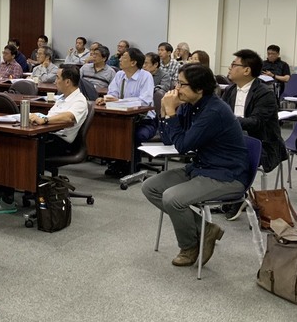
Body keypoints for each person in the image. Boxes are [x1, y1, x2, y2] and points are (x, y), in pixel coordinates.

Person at [142, 64, 249, 268]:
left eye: (182, 84)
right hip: (202, 167)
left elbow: (183, 146)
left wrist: (171, 111)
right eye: (177, 83)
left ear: (199, 89)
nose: (177, 88)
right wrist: (165, 112)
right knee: (150, 187)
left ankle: (189, 246)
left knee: (172, 198)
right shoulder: (191, 105)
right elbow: (169, 140)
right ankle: (206, 229)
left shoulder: (214, 111)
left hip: (227, 175)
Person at [0, 64, 89, 214]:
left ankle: (7, 200)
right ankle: (1, 189)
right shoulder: (63, 98)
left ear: (67, 81)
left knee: (17, 152)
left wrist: (44, 120)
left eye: (58, 78)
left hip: (61, 143)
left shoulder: (79, 100)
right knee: (8, 145)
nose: (55, 81)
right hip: (48, 136)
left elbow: (69, 117)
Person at [222, 49, 287, 179]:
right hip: (233, 138)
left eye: (234, 65)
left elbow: (256, 122)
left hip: (258, 142)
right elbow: (220, 114)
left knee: (224, 159)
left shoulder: (265, 93)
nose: (230, 68)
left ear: (246, 70)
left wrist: (229, 121)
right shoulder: (230, 90)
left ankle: (232, 186)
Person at [97, 48, 156, 177]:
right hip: (121, 117)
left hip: (144, 120)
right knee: (110, 130)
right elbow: (112, 93)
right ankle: (117, 162)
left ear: (133, 62)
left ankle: (132, 166)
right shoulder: (120, 75)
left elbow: (145, 101)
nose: (120, 60)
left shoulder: (145, 76)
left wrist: (120, 101)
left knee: (134, 134)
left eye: (124, 57)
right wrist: (106, 99)